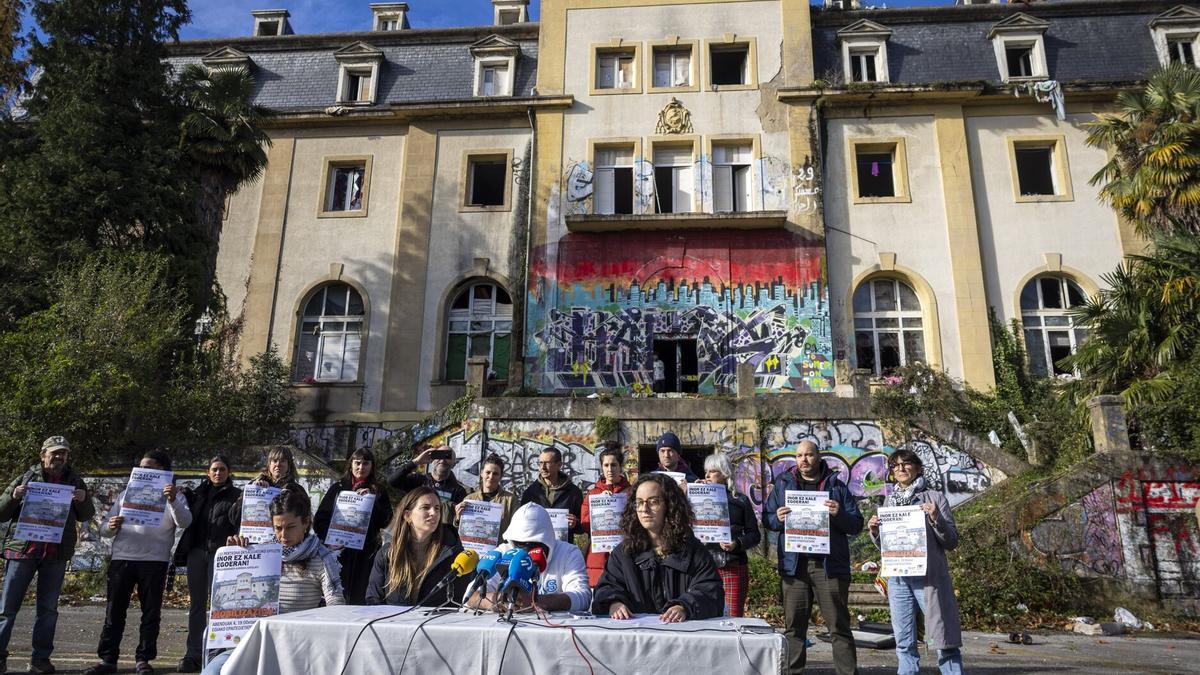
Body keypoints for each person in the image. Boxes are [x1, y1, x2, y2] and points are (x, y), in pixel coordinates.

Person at [201, 489, 345, 675]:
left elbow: (336, 605)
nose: (283, 535)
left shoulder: (322, 558)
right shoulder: (261, 553)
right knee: (213, 672)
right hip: (251, 642)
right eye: (278, 528)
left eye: (290, 527)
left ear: (305, 522)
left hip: (296, 646)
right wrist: (235, 556)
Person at [85, 450, 192, 675]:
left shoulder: (175, 496)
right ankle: (108, 660)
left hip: (154, 561)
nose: (143, 471)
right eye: (141, 467)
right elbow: (104, 529)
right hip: (122, 559)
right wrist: (110, 526)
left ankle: (144, 659)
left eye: (149, 467)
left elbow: (185, 521)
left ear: (162, 470)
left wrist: (172, 499)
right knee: (114, 611)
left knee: (151, 613)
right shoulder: (126, 494)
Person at [764, 439, 863, 675]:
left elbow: (856, 524)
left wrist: (839, 514)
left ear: (818, 457)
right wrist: (777, 518)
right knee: (794, 628)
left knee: (838, 627)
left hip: (828, 567)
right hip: (794, 566)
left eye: (808, 455)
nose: (804, 460)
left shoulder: (836, 486)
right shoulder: (783, 484)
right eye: (799, 455)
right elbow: (767, 519)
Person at [0, 436, 95, 675]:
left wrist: (83, 500)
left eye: (63, 453)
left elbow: (86, 515)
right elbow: (1, 513)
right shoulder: (26, 478)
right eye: (54, 453)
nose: (59, 457)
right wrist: (13, 497)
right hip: (23, 551)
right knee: (7, 609)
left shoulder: (75, 481)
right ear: (43, 455)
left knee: (48, 610)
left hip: (55, 554)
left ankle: (40, 660)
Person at [868, 449, 964, 675]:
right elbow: (888, 547)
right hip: (899, 580)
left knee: (943, 639)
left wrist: (936, 518)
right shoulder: (889, 501)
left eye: (906, 463)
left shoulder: (935, 498)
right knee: (903, 641)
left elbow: (951, 541)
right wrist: (875, 532)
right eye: (895, 465)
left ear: (918, 467)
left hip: (928, 579)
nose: (900, 468)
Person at [592, 473, 723, 622]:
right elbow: (607, 587)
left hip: (681, 633)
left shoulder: (693, 551)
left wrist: (685, 606)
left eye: (653, 502)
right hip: (635, 633)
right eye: (639, 502)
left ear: (670, 505)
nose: (644, 509)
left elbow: (710, 590)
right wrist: (613, 603)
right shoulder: (623, 553)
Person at [173, 455, 240, 673]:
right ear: (208, 472)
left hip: (221, 556)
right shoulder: (197, 494)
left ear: (229, 472)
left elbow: (239, 524)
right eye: (214, 469)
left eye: (222, 469)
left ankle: (216, 654)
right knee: (197, 605)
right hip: (197, 552)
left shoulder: (237, 496)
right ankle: (193, 654)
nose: (218, 473)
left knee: (219, 606)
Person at [466, 503, 591, 613]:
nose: (526, 550)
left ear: (547, 540)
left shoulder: (568, 553)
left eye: (533, 544)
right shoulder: (504, 552)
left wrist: (536, 601)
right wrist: (497, 600)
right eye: (520, 544)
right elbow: (469, 597)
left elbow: (583, 597)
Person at [313, 448, 394, 604]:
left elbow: (386, 520)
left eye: (366, 463)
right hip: (339, 552)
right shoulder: (338, 488)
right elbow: (320, 519)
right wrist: (330, 540)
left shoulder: (378, 490)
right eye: (357, 463)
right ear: (351, 465)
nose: (361, 467)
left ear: (372, 466)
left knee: (360, 595)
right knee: (337, 594)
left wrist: (372, 500)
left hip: (366, 553)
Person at [366, 486, 471, 606]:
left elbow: (460, 599)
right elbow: (374, 600)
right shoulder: (387, 553)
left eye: (437, 508)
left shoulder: (453, 552)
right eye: (425, 507)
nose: (434, 513)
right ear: (407, 516)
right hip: (392, 618)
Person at [702, 453, 761, 617]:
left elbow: (755, 535)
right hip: (705, 566)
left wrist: (738, 543)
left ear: (724, 473)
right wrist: (692, 494)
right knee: (706, 616)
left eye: (712, 471)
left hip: (733, 566)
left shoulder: (740, 500)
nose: (707, 476)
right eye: (706, 472)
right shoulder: (697, 498)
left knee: (733, 617)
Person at [579, 444, 630, 585]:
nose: (610, 469)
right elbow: (585, 525)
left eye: (614, 465)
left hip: (624, 550)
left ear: (620, 467)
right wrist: (600, 506)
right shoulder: (593, 494)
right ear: (602, 467)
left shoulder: (631, 492)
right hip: (597, 557)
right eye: (606, 465)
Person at [387, 445, 468, 527]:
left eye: (448, 456)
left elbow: (459, 521)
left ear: (454, 464)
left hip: (441, 534)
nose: (442, 460)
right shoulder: (418, 480)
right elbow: (393, 481)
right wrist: (416, 462)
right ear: (432, 460)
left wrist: (457, 520)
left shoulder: (459, 491)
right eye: (439, 455)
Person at [519, 448, 584, 540]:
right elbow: (521, 524)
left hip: (562, 546)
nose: (543, 467)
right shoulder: (530, 493)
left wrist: (575, 523)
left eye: (547, 463)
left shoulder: (574, 493)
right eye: (540, 463)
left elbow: (582, 526)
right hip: (537, 546)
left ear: (559, 465)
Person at [453, 453, 517, 536]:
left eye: (495, 474)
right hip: (473, 544)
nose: (491, 476)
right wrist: (458, 519)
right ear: (481, 473)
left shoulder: (510, 500)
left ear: (501, 477)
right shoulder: (469, 499)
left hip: (501, 544)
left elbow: (517, 529)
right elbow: (460, 532)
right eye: (488, 472)